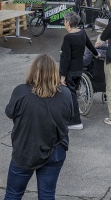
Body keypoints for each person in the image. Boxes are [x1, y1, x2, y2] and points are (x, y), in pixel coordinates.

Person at [4, 54, 73, 200]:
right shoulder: (66, 94)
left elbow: (10, 113)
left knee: (13, 194)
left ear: (33, 71)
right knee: (47, 195)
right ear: (55, 72)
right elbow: (69, 117)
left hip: (25, 150)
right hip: (55, 149)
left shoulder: (21, 91)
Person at [59, 12, 99, 130]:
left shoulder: (68, 38)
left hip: (69, 71)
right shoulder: (82, 33)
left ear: (68, 22)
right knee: (73, 93)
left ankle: (75, 121)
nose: (64, 24)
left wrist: (62, 76)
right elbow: (90, 46)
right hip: (79, 69)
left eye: (65, 21)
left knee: (70, 95)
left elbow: (66, 58)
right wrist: (97, 54)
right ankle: (71, 118)